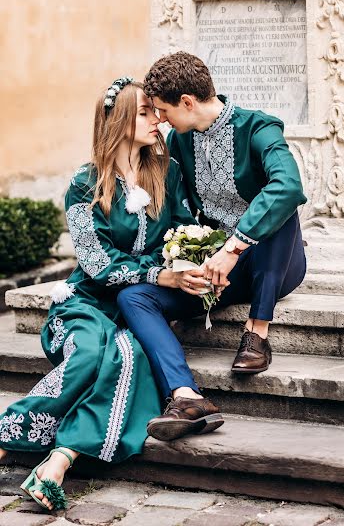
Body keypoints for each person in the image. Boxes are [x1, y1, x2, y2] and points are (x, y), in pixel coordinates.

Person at [0, 76, 222, 512]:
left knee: (130, 359)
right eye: (144, 112)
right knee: (91, 354)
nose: (157, 119)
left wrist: (186, 264)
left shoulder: (168, 172)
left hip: (134, 310)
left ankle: (57, 465)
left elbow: (178, 231)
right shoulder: (84, 184)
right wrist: (160, 275)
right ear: (118, 120)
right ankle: (9, 442)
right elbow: (97, 262)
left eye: (156, 112)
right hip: (85, 305)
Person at [117, 52, 307, 440]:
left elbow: (289, 186)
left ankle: (257, 332)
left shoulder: (259, 128)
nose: (162, 119)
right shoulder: (180, 143)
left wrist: (233, 247)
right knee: (134, 298)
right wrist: (189, 263)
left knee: (279, 208)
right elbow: (183, 212)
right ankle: (186, 395)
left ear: (188, 102)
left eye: (165, 110)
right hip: (217, 270)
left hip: (274, 264)